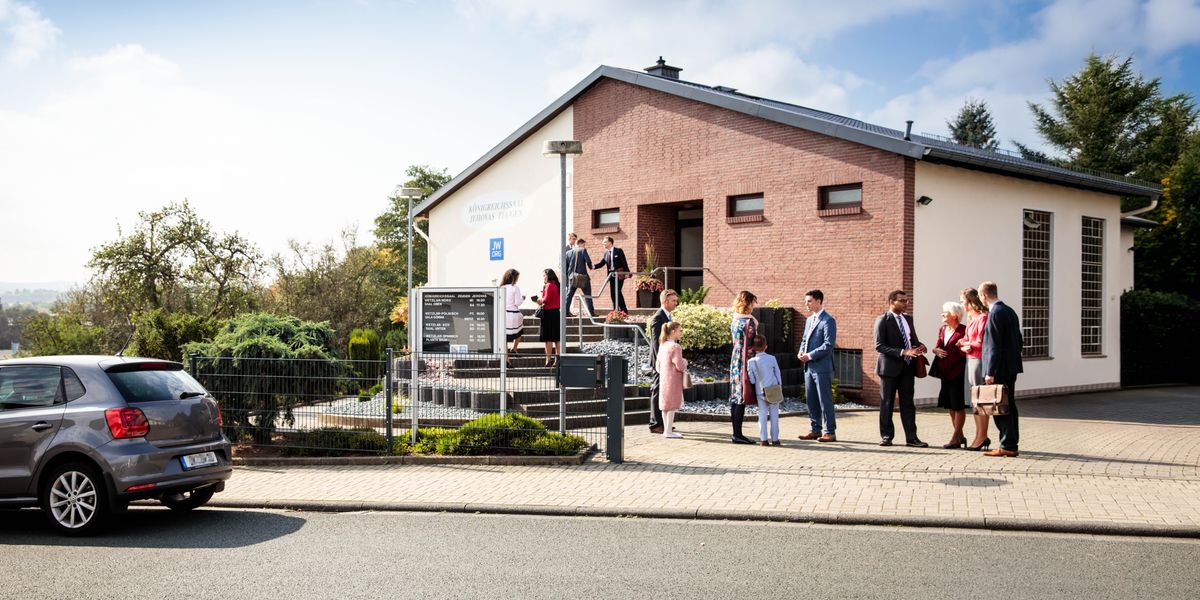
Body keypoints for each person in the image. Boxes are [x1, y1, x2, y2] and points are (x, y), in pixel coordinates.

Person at [874, 290, 929, 447]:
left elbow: (912, 340)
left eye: (907, 300)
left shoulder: (908, 319)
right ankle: (886, 436)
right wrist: (902, 352)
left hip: (907, 368)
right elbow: (879, 346)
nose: (906, 303)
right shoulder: (882, 320)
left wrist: (920, 346)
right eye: (902, 301)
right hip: (889, 369)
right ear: (892, 302)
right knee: (887, 403)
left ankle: (912, 438)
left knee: (908, 404)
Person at [979, 281, 1023, 457]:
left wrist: (990, 371)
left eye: (980, 296)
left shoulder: (995, 313)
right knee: (1009, 405)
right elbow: (1019, 340)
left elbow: (993, 346)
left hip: (999, 369)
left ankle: (1007, 445)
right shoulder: (1009, 311)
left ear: (984, 295)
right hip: (1010, 367)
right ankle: (1011, 443)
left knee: (1000, 407)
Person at [797, 289, 837, 442]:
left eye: (809, 301)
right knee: (811, 400)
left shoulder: (828, 320)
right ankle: (815, 430)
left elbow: (828, 345)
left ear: (819, 301)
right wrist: (801, 352)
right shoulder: (809, 320)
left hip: (822, 368)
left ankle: (830, 432)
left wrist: (809, 355)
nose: (806, 304)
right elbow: (804, 340)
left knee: (825, 401)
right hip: (809, 368)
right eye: (805, 301)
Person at [957, 287, 991, 451]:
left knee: (980, 401)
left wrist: (967, 345)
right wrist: (963, 343)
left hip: (978, 361)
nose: (961, 305)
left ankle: (982, 436)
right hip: (970, 361)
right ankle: (979, 435)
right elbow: (966, 338)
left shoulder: (983, 317)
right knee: (974, 402)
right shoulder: (971, 318)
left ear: (971, 301)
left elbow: (982, 342)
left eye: (962, 301)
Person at [931, 301, 968, 448]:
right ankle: (960, 436)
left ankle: (955, 438)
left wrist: (962, 347)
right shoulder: (943, 329)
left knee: (958, 405)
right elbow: (937, 346)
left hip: (957, 371)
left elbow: (966, 349)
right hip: (944, 371)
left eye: (945, 312)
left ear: (954, 315)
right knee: (950, 405)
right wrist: (935, 350)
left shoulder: (964, 330)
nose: (942, 314)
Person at [728, 290, 758, 444]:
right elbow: (753, 344)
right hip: (745, 359)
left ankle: (736, 433)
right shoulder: (749, 322)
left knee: (736, 397)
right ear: (748, 303)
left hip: (735, 359)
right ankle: (738, 435)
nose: (753, 306)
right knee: (742, 396)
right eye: (752, 303)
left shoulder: (735, 320)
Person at [647, 289, 679, 434]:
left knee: (664, 392)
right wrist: (660, 364)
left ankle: (665, 424)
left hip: (666, 362)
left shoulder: (668, 316)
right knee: (657, 390)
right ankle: (655, 424)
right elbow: (656, 343)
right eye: (673, 301)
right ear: (665, 301)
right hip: (660, 363)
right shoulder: (658, 318)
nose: (676, 303)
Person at [747, 335, 781, 447]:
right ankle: (775, 439)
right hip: (773, 390)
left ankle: (763, 440)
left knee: (762, 415)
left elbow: (752, 380)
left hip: (760, 392)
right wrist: (779, 386)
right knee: (774, 415)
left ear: (753, 347)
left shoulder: (751, 361)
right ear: (766, 346)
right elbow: (778, 374)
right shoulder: (772, 358)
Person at [656, 321, 688, 440]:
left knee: (665, 405)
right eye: (680, 330)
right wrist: (685, 362)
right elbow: (680, 366)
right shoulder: (675, 346)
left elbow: (657, 366)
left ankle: (666, 430)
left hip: (664, 378)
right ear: (673, 331)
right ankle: (669, 431)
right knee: (673, 405)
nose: (681, 333)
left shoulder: (662, 345)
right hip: (673, 379)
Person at [593, 236, 630, 312]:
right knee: (613, 294)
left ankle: (624, 310)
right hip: (611, 276)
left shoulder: (618, 251)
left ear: (610, 242)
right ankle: (616, 310)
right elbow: (602, 263)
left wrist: (627, 273)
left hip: (619, 275)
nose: (603, 243)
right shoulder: (606, 253)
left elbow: (624, 262)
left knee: (617, 292)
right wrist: (593, 266)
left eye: (604, 242)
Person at [535, 269, 561, 367]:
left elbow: (546, 300)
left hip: (548, 313)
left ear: (548, 275)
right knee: (557, 338)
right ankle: (557, 360)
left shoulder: (549, 285)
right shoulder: (558, 285)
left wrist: (539, 300)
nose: (543, 277)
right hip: (556, 313)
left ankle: (548, 360)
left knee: (548, 338)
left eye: (544, 275)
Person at [563, 238, 595, 317]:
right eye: (584, 244)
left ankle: (566, 312)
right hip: (583, 277)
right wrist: (591, 267)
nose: (584, 246)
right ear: (580, 243)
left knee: (569, 295)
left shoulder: (567, 253)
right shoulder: (583, 250)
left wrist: (568, 278)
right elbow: (588, 261)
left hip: (572, 277)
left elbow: (565, 267)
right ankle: (591, 312)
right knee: (587, 295)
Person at [500, 269, 524, 368]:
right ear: (513, 277)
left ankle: (506, 360)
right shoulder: (515, 288)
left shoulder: (501, 288)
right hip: (514, 314)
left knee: (504, 338)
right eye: (517, 277)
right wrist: (523, 298)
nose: (517, 279)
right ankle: (514, 348)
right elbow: (517, 302)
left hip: (504, 315)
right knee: (520, 331)